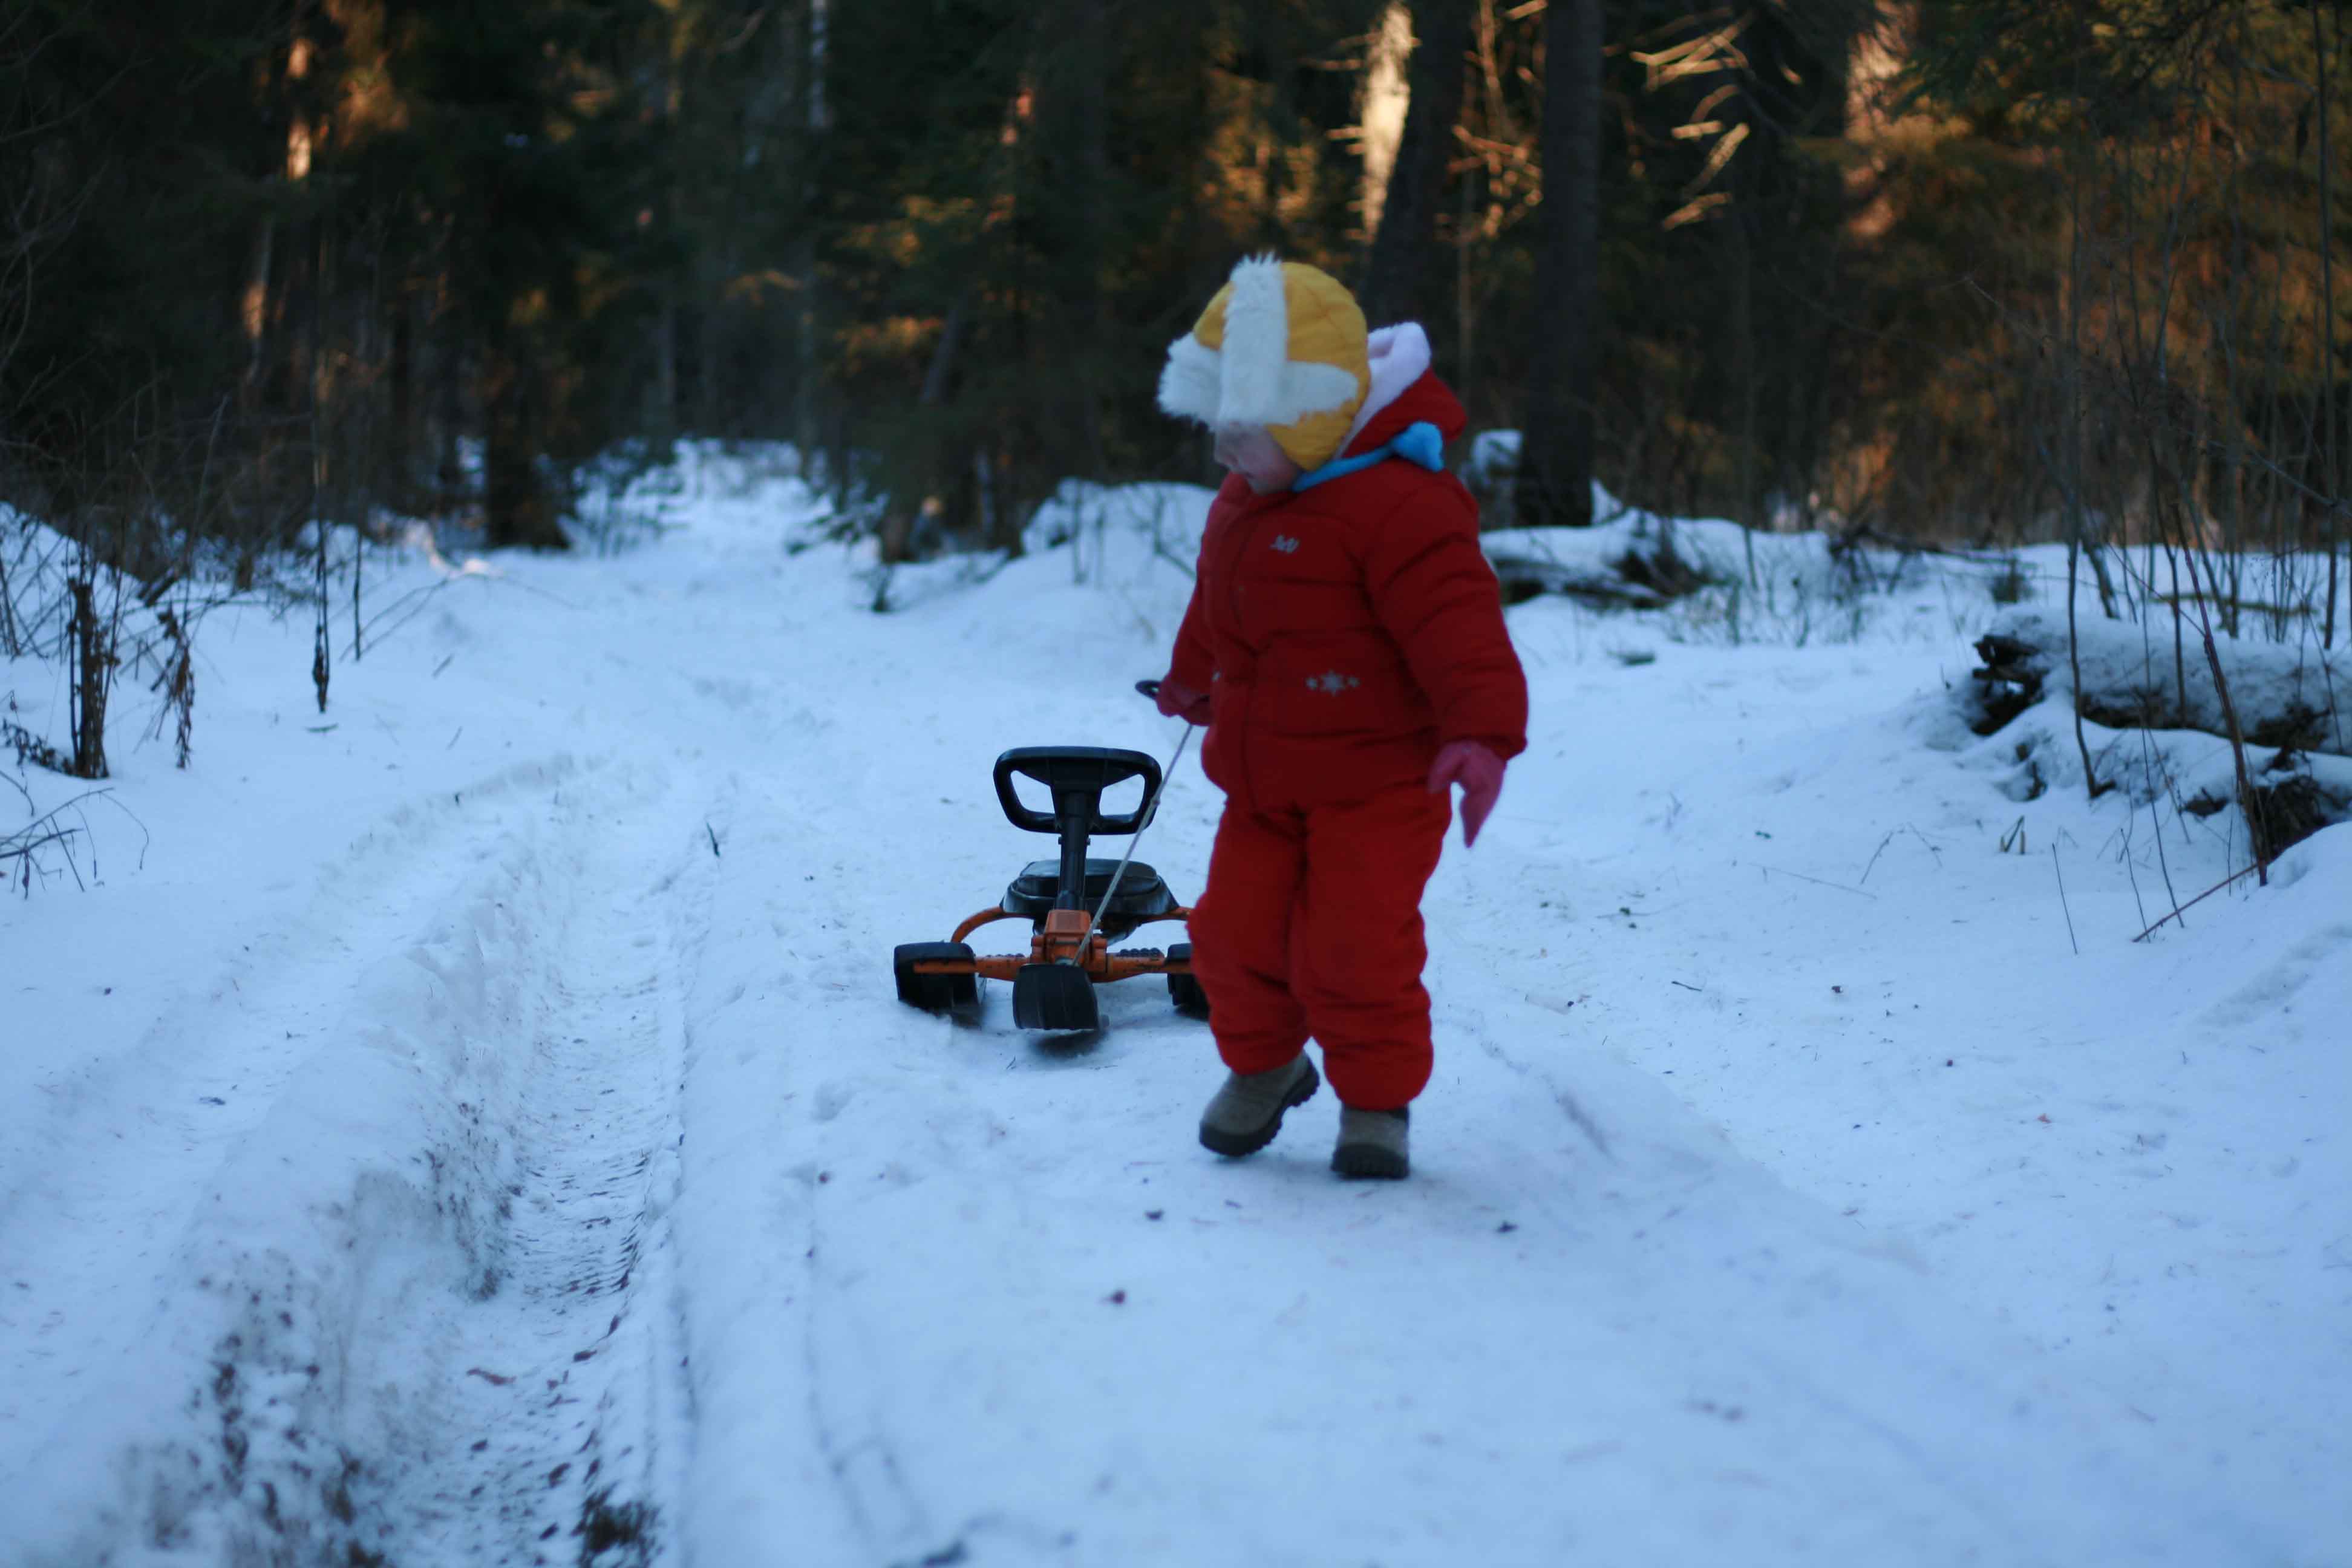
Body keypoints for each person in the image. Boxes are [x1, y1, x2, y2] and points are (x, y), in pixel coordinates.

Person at [1150, 255, 1528, 1180]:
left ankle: (1376, 1102)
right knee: (1228, 940)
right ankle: (1268, 1068)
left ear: (1310, 420)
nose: (1221, 455)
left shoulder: (1404, 504)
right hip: (1264, 781)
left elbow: (1460, 630)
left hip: (1379, 787)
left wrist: (1480, 737)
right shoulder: (1249, 497)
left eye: (1239, 434)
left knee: (1354, 951)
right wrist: (1192, 678)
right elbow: (1220, 606)